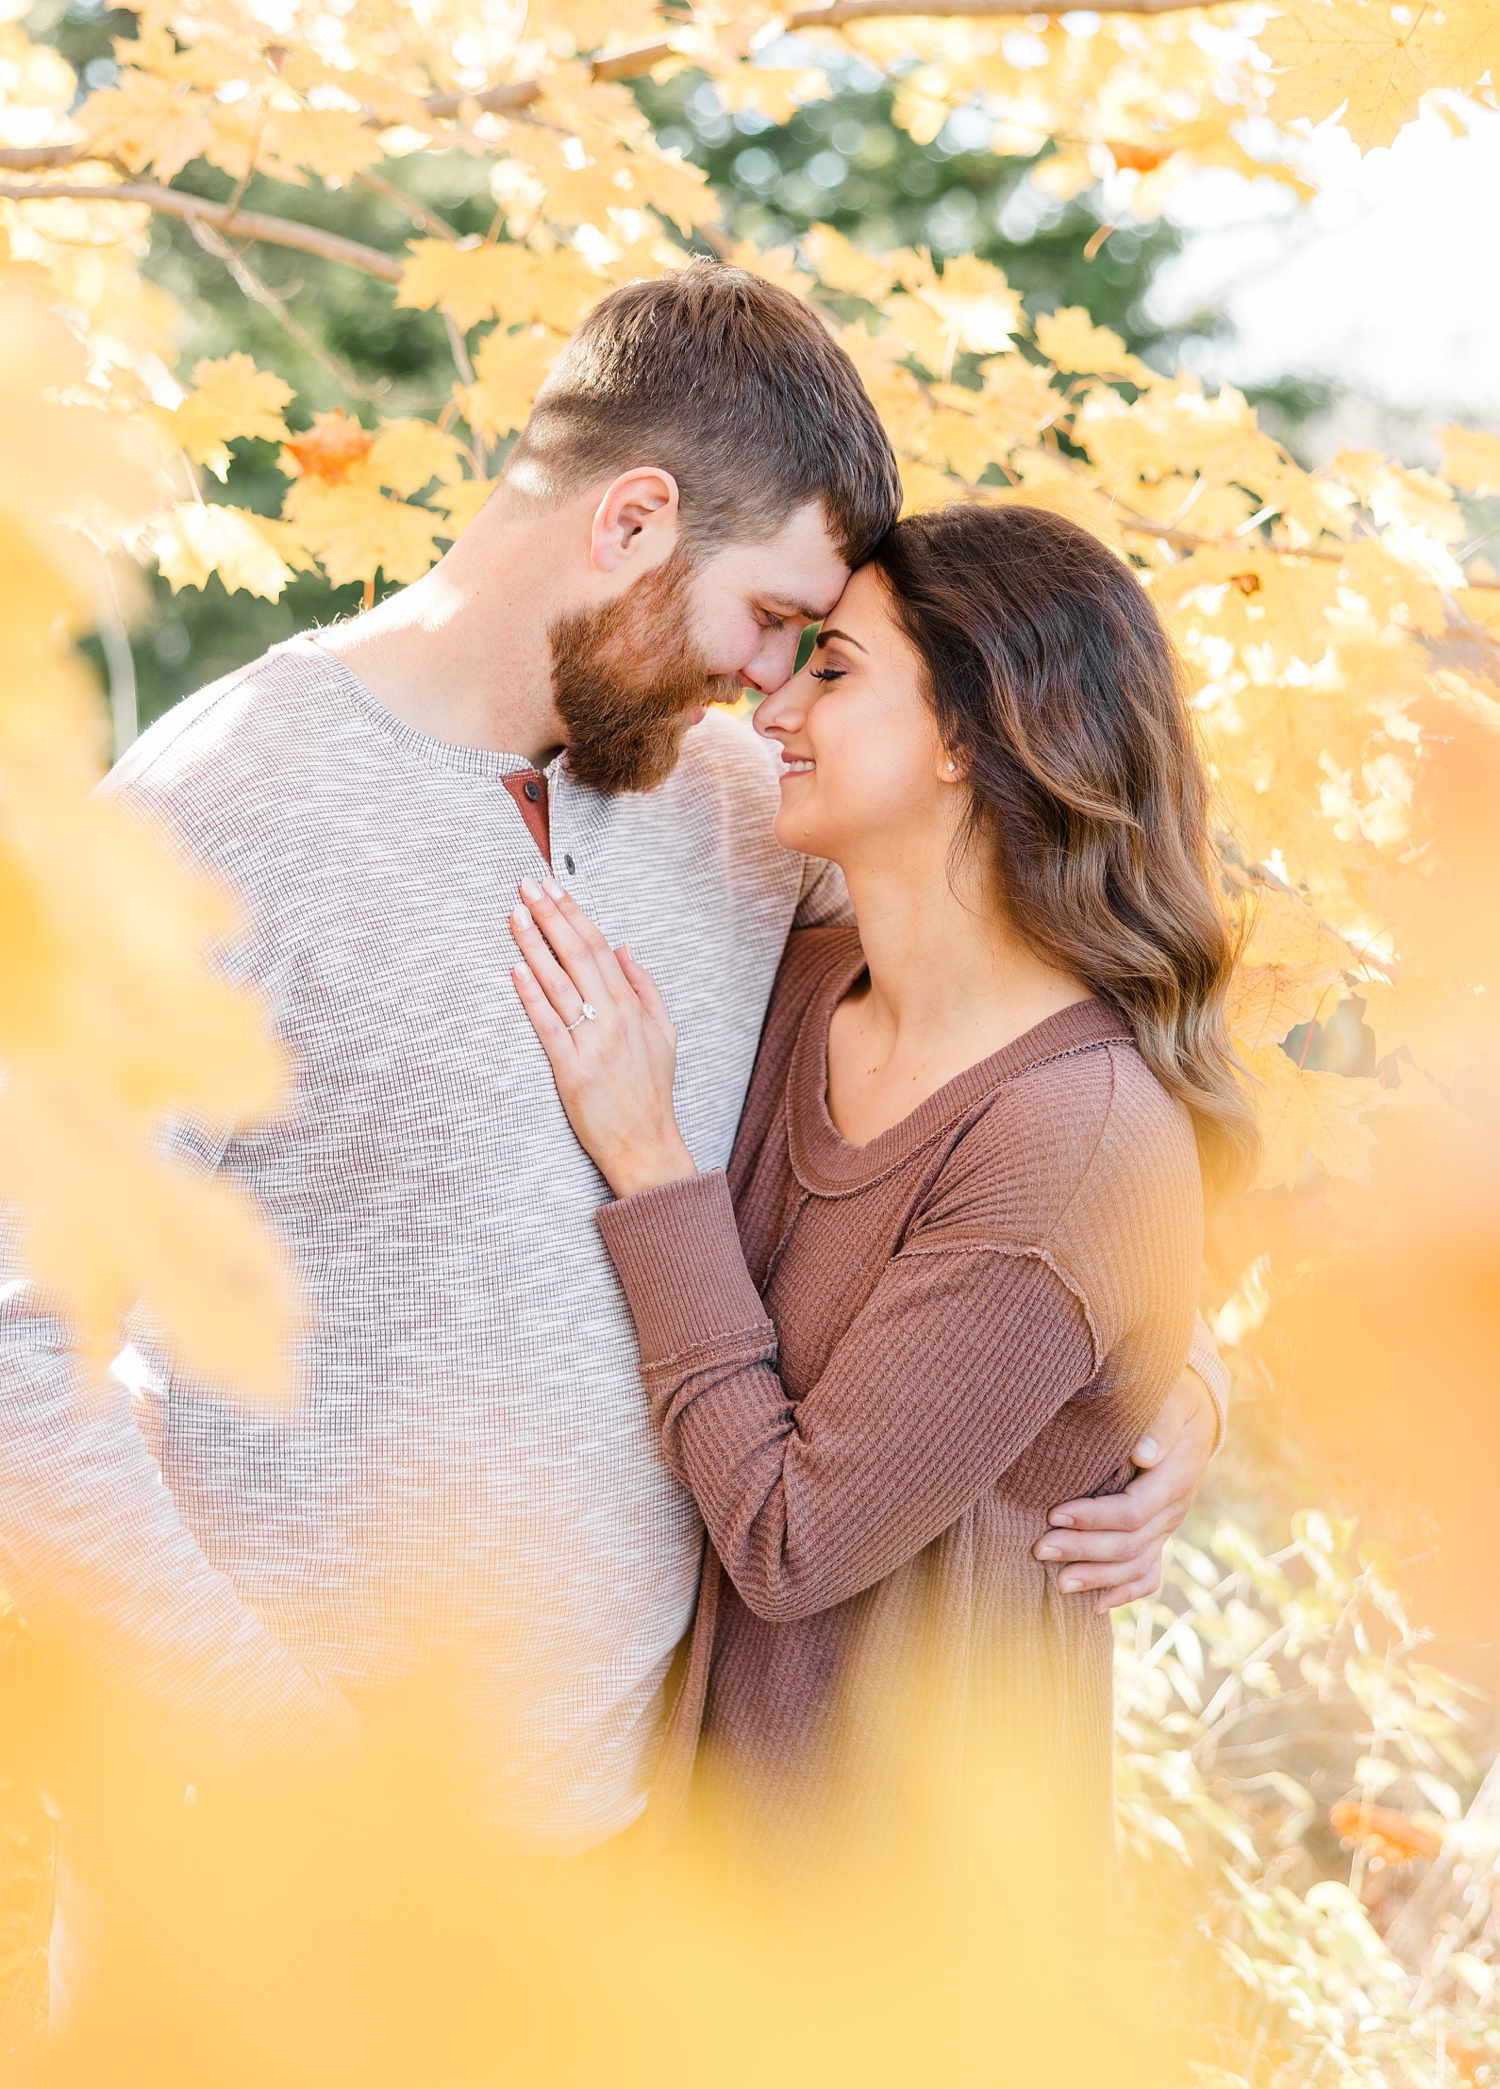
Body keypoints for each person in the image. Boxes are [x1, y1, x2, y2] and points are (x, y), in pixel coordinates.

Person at [0, 269, 1223, 1879]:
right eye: (774, 620)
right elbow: (22, 1350)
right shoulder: (202, 818)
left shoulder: (739, 816)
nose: (771, 683)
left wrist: (1173, 1381)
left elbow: (1030, 1068)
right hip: (273, 1878)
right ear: (635, 521)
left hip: (615, 1863)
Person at [508, 501, 1259, 1917]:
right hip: (692, 1871)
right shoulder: (800, 980)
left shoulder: (1080, 1135)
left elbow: (794, 1539)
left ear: (974, 735)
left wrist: (654, 1161)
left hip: (899, 1948)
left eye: (833, 670)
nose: (770, 702)